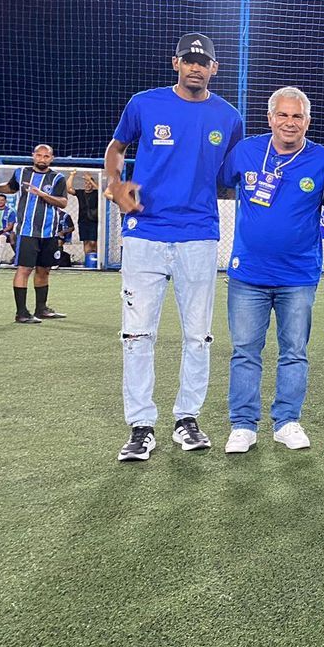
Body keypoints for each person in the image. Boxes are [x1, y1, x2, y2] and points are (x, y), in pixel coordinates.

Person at [105, 33, 243, 462]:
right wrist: (115, 183)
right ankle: (141, 426)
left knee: (198, 336)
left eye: (204, 61)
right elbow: (116, 147)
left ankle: (187, 419)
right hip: (144, 234)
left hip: (199, 236)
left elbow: (238, 172)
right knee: (137, 334)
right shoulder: (144, 104)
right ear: (175, 63)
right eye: (189, 60)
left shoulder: (230, 117)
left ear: (215, 69)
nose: (196, 67)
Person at [219, 87, 324, 454]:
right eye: (283, 115)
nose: (290, 122)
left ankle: (287, 421)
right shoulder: (246, 151)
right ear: (270, 118)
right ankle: (243, 425)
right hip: (247, 274)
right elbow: (218, 182)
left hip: (298, 276)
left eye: (297, 116)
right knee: (245, 351)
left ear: (308, 121)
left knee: (294, 352)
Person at [0, 145, 69, 323]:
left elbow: (63, 202)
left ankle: (41, 309)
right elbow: (10, 188)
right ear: (33, 156)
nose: (42, 159)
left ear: (52, 158)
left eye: (46, 156)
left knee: (44, 270)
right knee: (25, 269)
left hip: (49, 232)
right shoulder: (21, 173)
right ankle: (21, 313)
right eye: (39, 155)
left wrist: (41, 194)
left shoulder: (57, 178)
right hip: (27, 232)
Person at [72, 173, 100, 260]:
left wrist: (90, 179)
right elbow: (69, 188)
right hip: (83, 220)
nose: (88, 185)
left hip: (93, 220)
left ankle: (96, 259)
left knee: (93, 242)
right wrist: (72, 175)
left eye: (90, 183)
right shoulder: (80, 193)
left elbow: (101, 190)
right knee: (86, 241)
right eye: (86, 183)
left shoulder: (96, 193)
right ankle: (88, 260)